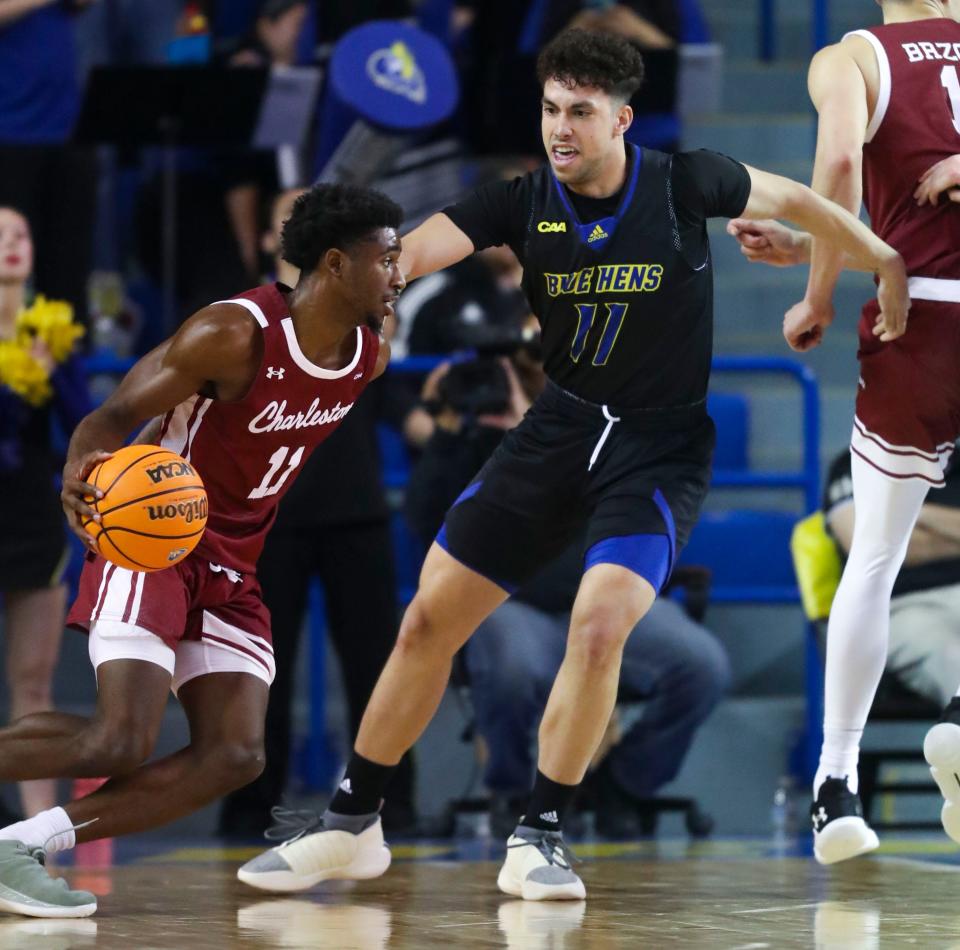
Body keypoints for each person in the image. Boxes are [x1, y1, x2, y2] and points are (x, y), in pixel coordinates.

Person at [238, 28, 908, 902]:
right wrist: (349, 288)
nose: (561, 127)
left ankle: (541, 832)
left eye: (581, 113)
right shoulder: (518, 200)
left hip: (658, 450)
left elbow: (805, 202)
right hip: (557, 433)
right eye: (552, 109)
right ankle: (352, 820)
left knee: (600, 628)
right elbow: (410, 252)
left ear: (622, 118)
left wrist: (881, 263)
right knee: (425, 622)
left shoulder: (686, 181)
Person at [0, 183, 404, 918]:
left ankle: (16, 845)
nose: (399, 275)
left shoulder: (368, 356)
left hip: (235, 560)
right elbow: (117, 411)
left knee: (235, 755)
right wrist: (78, 471)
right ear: (338, 264)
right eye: (388, 260)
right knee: (118, 740)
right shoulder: (232, 332)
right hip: (156, 537)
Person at [726, 1, 960, 865]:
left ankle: (837, 786)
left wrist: (818, 290)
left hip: (922, 318)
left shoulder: (853, 57)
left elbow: (838, 172)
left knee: (877, 558)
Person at [405, 356, 729, 839]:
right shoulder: (466, 443)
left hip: (601, 601)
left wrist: (535, 423)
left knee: (702, 666)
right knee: (511, 666)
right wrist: (454, 429)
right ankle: (513, 791)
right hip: (511, 605)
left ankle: (623, 786)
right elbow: (421, 516)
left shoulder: (607, 415)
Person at [218, 188, 417, 839]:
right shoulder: (243, 324)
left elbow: (395, 401)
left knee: (378, 663)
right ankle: (251, 805)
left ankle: (390, 803)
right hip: (269, 518)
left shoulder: (364, 322)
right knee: (262, 668)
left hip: (356, 507)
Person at [0, 207, 91, 822]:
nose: (12, 244)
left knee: (33, 678)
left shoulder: (49, 331)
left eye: (21, 234)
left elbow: (86, 423)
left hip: (30, 516)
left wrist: (52, 375)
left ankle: (37, 833)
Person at [823, 446, 960, 709]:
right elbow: (867, 546)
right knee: (954, 660)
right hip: (901, 609)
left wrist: (917, 512)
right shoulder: (859, 463)